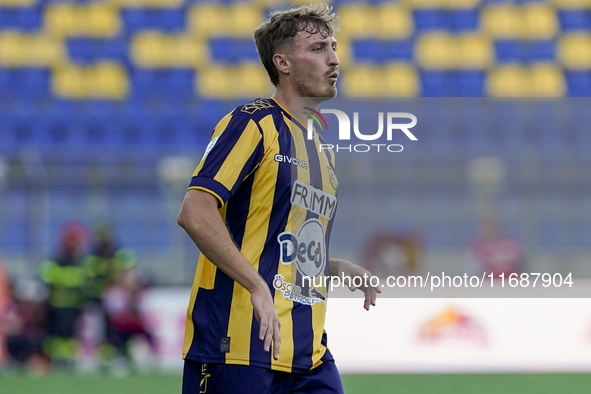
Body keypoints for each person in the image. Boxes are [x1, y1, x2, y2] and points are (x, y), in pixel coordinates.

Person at [177, 4, 380, 393]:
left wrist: (334, 266)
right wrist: (256, 286)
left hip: (307, 352)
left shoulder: (322, 148)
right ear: (282, 62)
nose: (335, 59)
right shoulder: (252, 123)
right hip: (237, 344)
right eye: (319, 48)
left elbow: (284, 245)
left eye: (334, 47)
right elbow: (195, 212)